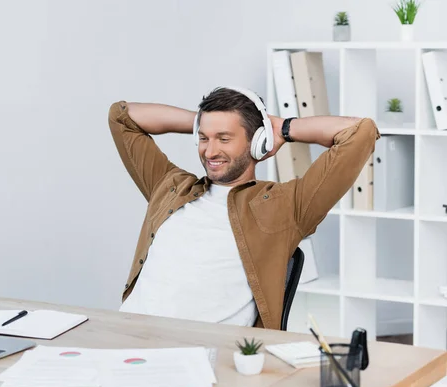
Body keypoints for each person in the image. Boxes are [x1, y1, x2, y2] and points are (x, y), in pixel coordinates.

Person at [108, 87, 379, 330]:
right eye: (203, 138)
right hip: (128, 335)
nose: (209, 151)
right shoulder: (170, 187)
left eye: (223, 139)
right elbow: (122, 118)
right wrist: (202, 121)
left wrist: (283, 128)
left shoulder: (286, 206)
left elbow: (360, 132)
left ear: (258, 141)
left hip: (204, 354)